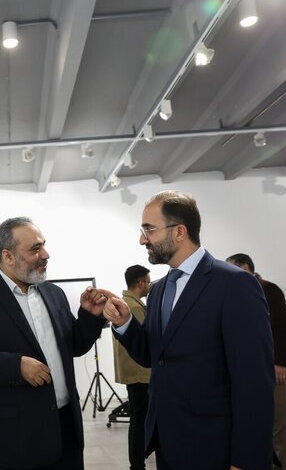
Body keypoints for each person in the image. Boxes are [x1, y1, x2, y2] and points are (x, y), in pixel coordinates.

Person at [99, 190, 275, 470]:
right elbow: (155, 356)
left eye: (148, 230)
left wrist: (246, 460)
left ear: (179, 232)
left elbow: (255, 382)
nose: (142, 239)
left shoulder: (234, 284)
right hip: (168, 443)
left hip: (215, 446)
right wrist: (125, 323)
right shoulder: (158, 290)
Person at [0, 216, 107, 470]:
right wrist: (16, 366)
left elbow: (74, 346)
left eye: (43, 245)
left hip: (66, 429)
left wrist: (90, 316)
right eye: (35, 249)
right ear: (8, 256)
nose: (46, 254)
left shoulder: (54, 293)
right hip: (15, 438)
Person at [226, 253, 286, 470]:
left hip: (275, 370)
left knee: (278, 426)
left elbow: (280, 327)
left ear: (245, 268)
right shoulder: (238, 292)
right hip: (254, 370)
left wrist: (280, 363)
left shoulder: (269, 289)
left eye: (231, 268)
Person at [112, 265, 151, 470]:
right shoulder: (134, 307)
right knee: (139, 419)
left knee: (138, 417)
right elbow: (145, 342)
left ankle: (136, 463)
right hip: (140, 373)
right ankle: (137, 464)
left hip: (135, 372)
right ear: (140, 283)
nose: (150, 285)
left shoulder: (127, 303)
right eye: (148, 281)